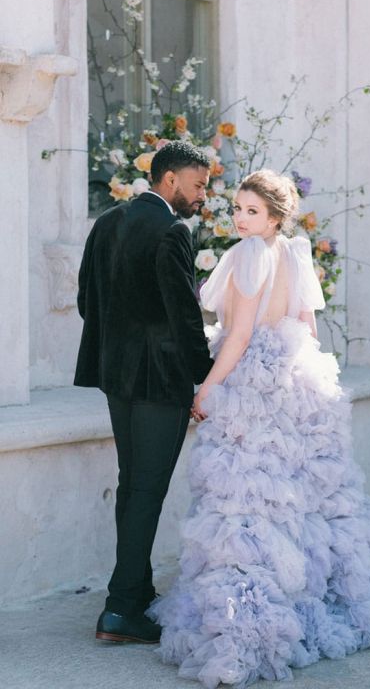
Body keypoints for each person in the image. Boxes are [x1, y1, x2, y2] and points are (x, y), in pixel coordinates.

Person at [147, 169, 370, 687]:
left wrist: (209, 387)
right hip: (291, 376)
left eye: (251, 211)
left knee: (248, 501)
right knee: (304, 496)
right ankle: (314, 597)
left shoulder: (244, 257)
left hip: (250, 383)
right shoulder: (296, 253)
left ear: (275, 216)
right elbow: (305, 325)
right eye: (236, 208)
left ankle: (252, 617)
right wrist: (297, 376)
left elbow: (236, 337)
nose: (239, 217)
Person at [74, 141, 213, 644]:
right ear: (170, 180)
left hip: (117, 380)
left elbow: (85, 300)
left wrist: (122, 346)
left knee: (133, 485)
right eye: (198, 185)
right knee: (146, 491)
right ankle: (119, 610)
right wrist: (209, 377)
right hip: (160, 383)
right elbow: (184, 318)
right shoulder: (173, 230)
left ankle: (134, 591)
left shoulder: (109, 221)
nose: (204, 196)